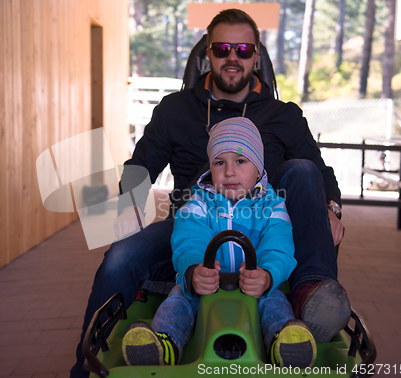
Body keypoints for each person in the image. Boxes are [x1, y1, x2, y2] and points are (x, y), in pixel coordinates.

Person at [71, 9, 350, 377]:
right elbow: (140, 167)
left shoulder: (284, 115)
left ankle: (310, 295)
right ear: (207, 52)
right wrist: (128, 205)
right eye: (221, 48)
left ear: (257, 55)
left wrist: (330, 206)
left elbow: (319, 170)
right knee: (120, 257)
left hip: (264, 218)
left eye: (243, 49)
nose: (232, 56)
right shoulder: (175, 109)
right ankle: (84, 369)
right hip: (192, 221)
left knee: (301, 169)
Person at [121, 117, 317, 368]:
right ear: (211, 168)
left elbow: (279, 246)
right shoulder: (198, 203)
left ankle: (284, 343)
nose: (229, 171)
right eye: (220, 162)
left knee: (275, 300)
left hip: (254, 284)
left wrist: (267, 275)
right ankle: (165, 343)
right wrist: (193, 271)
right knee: (179, 297)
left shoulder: (272, 205)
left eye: (241, 161)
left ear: (258, 168)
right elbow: (188, 240)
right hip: (207, 283)